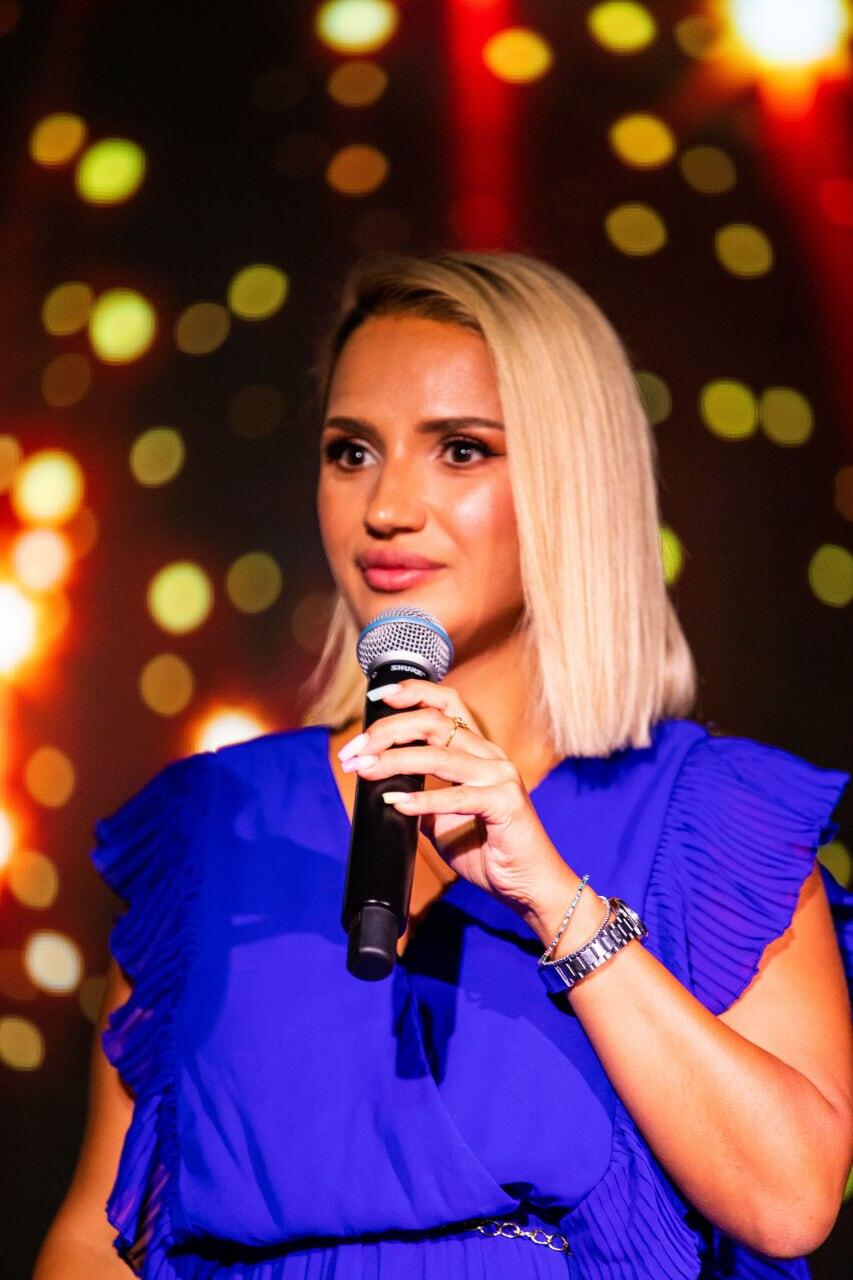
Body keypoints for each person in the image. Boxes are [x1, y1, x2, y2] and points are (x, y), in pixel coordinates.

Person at [35, 250, 852, 1280]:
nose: (385, 506)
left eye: (460, 450)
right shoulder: (214, 824)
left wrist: (553, 896)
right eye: (350, 451)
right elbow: (99, 1235)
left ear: (573, 480)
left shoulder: (711, 817)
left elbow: (789, 1203)